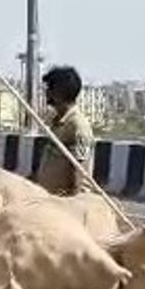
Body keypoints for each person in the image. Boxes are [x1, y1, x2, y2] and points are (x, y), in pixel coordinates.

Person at [35, 64, 94, 195]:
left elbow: (80, 173)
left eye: (50, 88)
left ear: (60, 91)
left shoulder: (77, 127)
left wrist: (74, 206)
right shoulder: (57, 122)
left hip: (65, 204)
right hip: (50, 199)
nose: (46, 92)